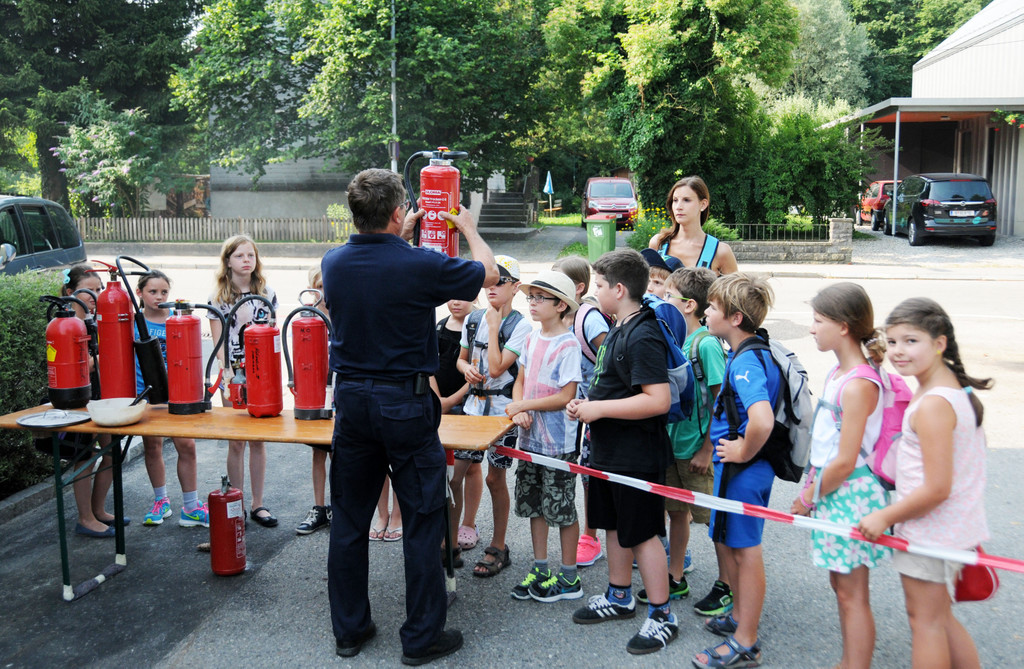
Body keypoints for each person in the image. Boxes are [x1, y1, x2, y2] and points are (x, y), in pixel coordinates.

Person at [321, 167, 497, 664]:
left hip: (352, 401)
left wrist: (400, 236)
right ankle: (421, 639)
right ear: (399, 213)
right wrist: (468, 228)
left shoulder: (333, 262)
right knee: (422, 519)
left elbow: (379, 270)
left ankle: (350, 631)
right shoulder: (420, 264)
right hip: (404, 402)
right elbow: (488, 274)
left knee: (349, 520)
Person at [858, 297, 991, 669]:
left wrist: (885, 516)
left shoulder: (933, 403)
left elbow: (937, 488)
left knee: (926, 622)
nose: (898, 350)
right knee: (939, 618)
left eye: (911, 340)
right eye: (893, 341)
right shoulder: (950, 390)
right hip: (948, 529)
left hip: (932, 532)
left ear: (939, 343)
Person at [567, 249, 679, 656]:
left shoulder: (643, 333)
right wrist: (588, 405)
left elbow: (658, 400)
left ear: (618, 289)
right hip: (609, 450)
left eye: (598, 285)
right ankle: (619, 596)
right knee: (613, 524)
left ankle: (663, 614)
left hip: (636, 454)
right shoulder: (619, 325)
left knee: (643, 533)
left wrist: (599, 409)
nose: (594, 292)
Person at [790, 282, 891, 669]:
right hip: (834, 490)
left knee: (852, 593)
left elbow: (846, 460)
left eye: (819, 320)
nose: (812, 328)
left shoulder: (859, 383)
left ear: (844, 326)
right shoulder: (839, 372)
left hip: (849, 493)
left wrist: (807, 497)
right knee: (841, 586)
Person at [693, 273, 777, 669]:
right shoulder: (751, 351)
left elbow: (762, 419)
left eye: (713, 308)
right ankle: (740, 617)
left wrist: (742, 451)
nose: (707, 313)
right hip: (743, 470)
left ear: (736, 318)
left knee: (746, 553)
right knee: (735, 547)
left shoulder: (744, 363)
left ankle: (746, 642)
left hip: (744, 470)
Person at [640, 267, 727, 611]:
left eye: (668, 295)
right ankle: (675, 576)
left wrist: (707, 449)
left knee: (713, 519)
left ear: (689, 305)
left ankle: (727, 584)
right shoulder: (675, 339)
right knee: (677, 513)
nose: (660, 299)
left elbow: (721, 401)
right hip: (672, 446)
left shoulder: (706, 344)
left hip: (696, 448)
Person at [505, 270, 583, 603]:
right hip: (529, 438)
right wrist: (518, 410)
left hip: (558, 444)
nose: (533, 303)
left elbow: (566, 395)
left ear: (561, 305)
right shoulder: (531, 338)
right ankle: (540, 568)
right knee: (534, 506)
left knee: (561, 508)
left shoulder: (569, 344)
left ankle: (569, 575)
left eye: (540, 298)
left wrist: (523, 405)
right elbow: (520, 380)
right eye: (531, 297)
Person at [456, 254, 531, 578]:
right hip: (473, 409)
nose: (492, 287)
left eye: (500, 282)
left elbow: (499, 368)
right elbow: (461, 358)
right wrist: (466, 368)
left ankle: (498, 546)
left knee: (494, 477)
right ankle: (450, 541)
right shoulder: (473, 319)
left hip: (502, 414)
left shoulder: (521, 325)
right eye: (487, 282)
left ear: (515, 287)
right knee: (455, 476)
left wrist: (493, 324)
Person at [208, 234, 279, 528]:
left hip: (261, 374)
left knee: (258, 441)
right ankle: (235, 502)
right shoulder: (218, 298)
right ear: (227, 261)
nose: (246, 260)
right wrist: (229, 375)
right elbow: (219, 344)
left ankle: (257, 503)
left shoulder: (267, 293)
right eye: (239, 256)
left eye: (250, 255)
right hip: (234, 374)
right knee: (236, 441)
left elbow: (272, 336)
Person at [134, 270, 206, 528]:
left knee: (186, 445)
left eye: (164, 292)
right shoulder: (134, 322)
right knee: (152, 446)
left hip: (177, 394)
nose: (159, 297)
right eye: (152, 291)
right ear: (139, 293)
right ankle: (160, 500)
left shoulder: (177, 320)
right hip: (146, 394)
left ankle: (191, 506)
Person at [551, 255, 609, 567]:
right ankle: (590, 535)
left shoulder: (589, 319)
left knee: (597, 474)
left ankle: (594, 536)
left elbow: (614, 359)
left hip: (600, 410)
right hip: (579, 410)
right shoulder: (561, 317)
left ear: (578, 287)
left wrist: (599, 402)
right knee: (583, 472)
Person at [59, 265, 119, 537]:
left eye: (99, 289)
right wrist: (104, 356)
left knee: (112, 453)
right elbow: (74, 365)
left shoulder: (95, 321)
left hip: (101, 396)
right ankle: (85, 518)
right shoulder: (66, 324)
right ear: (70, 292)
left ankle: (98, 511)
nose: (95, 295)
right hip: (80, 398)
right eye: (88, 290)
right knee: (85, 458)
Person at [435, 298, 483, 555]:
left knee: (471, 466)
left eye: (462, 296)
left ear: (474, 296)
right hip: (439, 404)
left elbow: (480, 370)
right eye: (450, 295)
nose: (455, 301)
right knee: (446, 467)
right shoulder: (438, 327)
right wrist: (437, 401)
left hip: (468, 403)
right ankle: (447, 526)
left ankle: (469, 523)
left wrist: (451, 401)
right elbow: (429, 367)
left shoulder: (478, 327)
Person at [296, 266, 332, 535]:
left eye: (327, 285)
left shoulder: (345, 313)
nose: (324, 291)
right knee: (318, 450)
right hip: (314, 390)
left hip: (339, 388)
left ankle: (339, 506)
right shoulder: (308, 316)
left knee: (341, 451)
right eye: (318, 286)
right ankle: (319, 507)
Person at [649, 176, 738, 276]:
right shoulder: (658, 243)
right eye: (675, 200)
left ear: (703, 204)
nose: (678, 207)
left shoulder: (720, 251)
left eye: (686, 200)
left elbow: (735, 286)